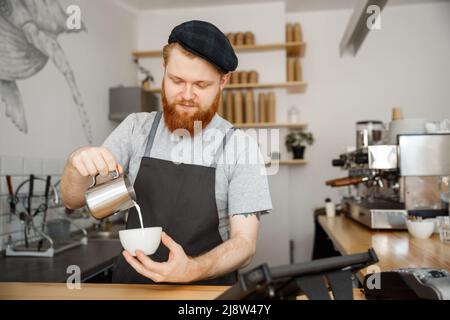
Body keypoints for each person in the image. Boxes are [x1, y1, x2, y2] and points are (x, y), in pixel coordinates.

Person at [61, 20, 272, 285]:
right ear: (164, 69)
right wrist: (75, 164)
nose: (186, 95)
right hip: (132, 289)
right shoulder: (136, 129)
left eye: (201, 85)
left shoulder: (240, 146)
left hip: (203, 295)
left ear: (223, 81)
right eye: (176, 80)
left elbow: (244, 245)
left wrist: (192, 269)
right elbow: (74, 200)